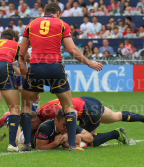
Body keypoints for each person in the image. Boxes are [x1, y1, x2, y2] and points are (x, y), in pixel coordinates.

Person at [19, 2, 103, 151]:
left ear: (44, 12)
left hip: (36, 68)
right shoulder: (62, 24)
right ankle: (72, 145)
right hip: (55, 68)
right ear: (58, 13)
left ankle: (25, 144)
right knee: (68, 107)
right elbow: (71, 49)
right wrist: (89, 62)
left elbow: (22, 53)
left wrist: (24, 70)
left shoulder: (30, 25)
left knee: (26, 106)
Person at [0, 96, 144, 135]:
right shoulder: (40, 114)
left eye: (31, 126)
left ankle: (117, 134)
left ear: (34, 120)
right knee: (115, 116)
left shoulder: (49, 112)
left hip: (87, 111)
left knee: (86, 139)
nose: (31, 129)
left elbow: (65, 114)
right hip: (85, 102)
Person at [32, 110, 128, 150]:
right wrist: (55, 143)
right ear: (56, 120)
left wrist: (79, 136)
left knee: (87, 142)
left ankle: (116, 133)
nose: (67, 128)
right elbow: (39, 147)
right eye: (64, 125)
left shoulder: (69, 125)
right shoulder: (46, 127)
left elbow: (90, 138)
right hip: (28, 139)